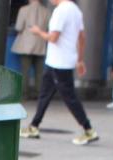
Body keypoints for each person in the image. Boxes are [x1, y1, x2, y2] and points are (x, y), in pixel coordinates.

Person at [20, 0, 99, 145]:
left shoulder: (60, 11)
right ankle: (34, 126)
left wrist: (38, 32)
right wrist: (80, 59)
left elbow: (53, 38)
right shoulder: (76, 10)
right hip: (60, 61)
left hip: (58, 62)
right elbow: (82, 37)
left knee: (69, 97)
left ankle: (88, 129)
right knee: (45, 94)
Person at [13, 0, 51, 98]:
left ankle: (24, 94)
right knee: (39, 72)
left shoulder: (23, 10)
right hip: (40, 45)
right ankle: (39, 94)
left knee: (25, 71)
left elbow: (18, 27)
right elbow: (48, 28)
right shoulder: (46, 11)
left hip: (25, 45)